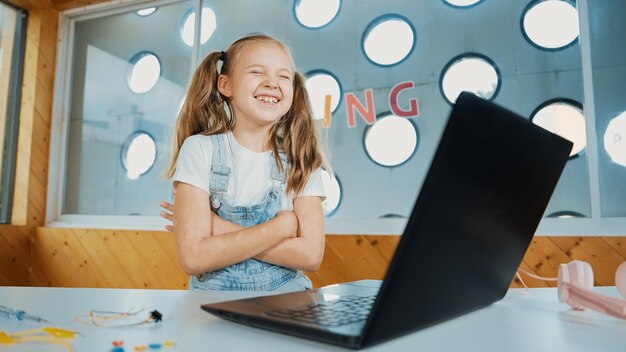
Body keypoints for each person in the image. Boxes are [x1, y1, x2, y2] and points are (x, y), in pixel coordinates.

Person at [161, 34, 329, 292]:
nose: (272, 83)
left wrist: (218, 228)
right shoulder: (199, 150)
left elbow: (310, 256)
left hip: (287, 299)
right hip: (211, 304)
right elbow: (194, 258)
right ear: (225, 85)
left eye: (284, 76)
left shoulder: (301, 160)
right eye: (257, 71)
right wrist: (282, 227)